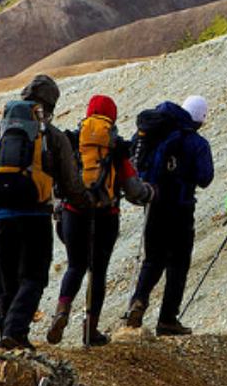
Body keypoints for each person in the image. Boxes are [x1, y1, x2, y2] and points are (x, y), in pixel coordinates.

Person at [0, 75, 85, 351]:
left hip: (2, 218)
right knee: (34, 277)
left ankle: (6, 339)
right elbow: (71, 184)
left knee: (6, 282)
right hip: (36, 217)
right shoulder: (53, 136)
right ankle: (15, 332)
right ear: (49, 105)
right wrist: (88, 206)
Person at [47, 94, 154, 348]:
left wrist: (58, 208)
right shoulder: (116, 146)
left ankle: (62, 309)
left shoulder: (73, 141)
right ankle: (91, 329)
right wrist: (149, 193)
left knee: (75, 266)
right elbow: (132, 187)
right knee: (98, 271)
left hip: (74, 213)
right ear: (112, 116)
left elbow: (56, 180)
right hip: (106, 216)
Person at [123, 95, 216, 337]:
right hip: (181, 209)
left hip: (153, 205)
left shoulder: (154, 131)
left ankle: (138, 301)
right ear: (199, 118)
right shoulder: (196, 142)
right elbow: (206, 178)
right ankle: (168, 319)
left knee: (152, 259)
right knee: (178, 264)